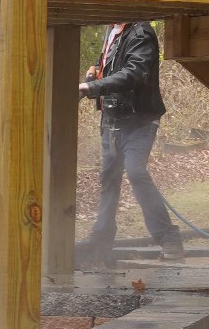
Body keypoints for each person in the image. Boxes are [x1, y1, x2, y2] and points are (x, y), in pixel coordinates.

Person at [76, 19, 184, 264]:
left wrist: (91, 87)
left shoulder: (141, 32)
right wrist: (95, 68)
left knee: (136, 172)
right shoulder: (113, 29)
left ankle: (169, 239)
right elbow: (113, 60)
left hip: (139, 120)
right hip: (113, 120)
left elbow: (133, 73)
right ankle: (100, 241)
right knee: (108, 179)